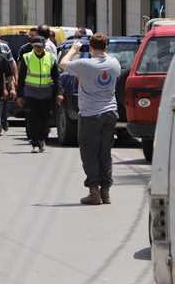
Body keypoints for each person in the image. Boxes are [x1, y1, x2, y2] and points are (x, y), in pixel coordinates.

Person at [60, 32, 121, 206]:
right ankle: (106, 192)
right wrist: (102, 50)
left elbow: (63, 64)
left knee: (89, 154)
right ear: (106, 47)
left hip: (90, 115)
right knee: (105, 153)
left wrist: (73, 50)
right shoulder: (114, 63)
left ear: (91, 47)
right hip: (110, 113)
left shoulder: (84, 64)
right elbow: (105, 56)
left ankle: (94, 192)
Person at [17, 36, 62, 153]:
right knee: (33, 120)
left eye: (40, 47)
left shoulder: (51, 58)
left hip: (46, 94)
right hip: (31, 94)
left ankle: (42, 139)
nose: (38, 49)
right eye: (36, 46)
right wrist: (20, 95)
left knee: (45, 120)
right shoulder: (27, 57)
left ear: (44, 47)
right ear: (33, 46)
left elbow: (56, 78)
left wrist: (58, 93)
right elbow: (21, 78)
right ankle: (35, 143)